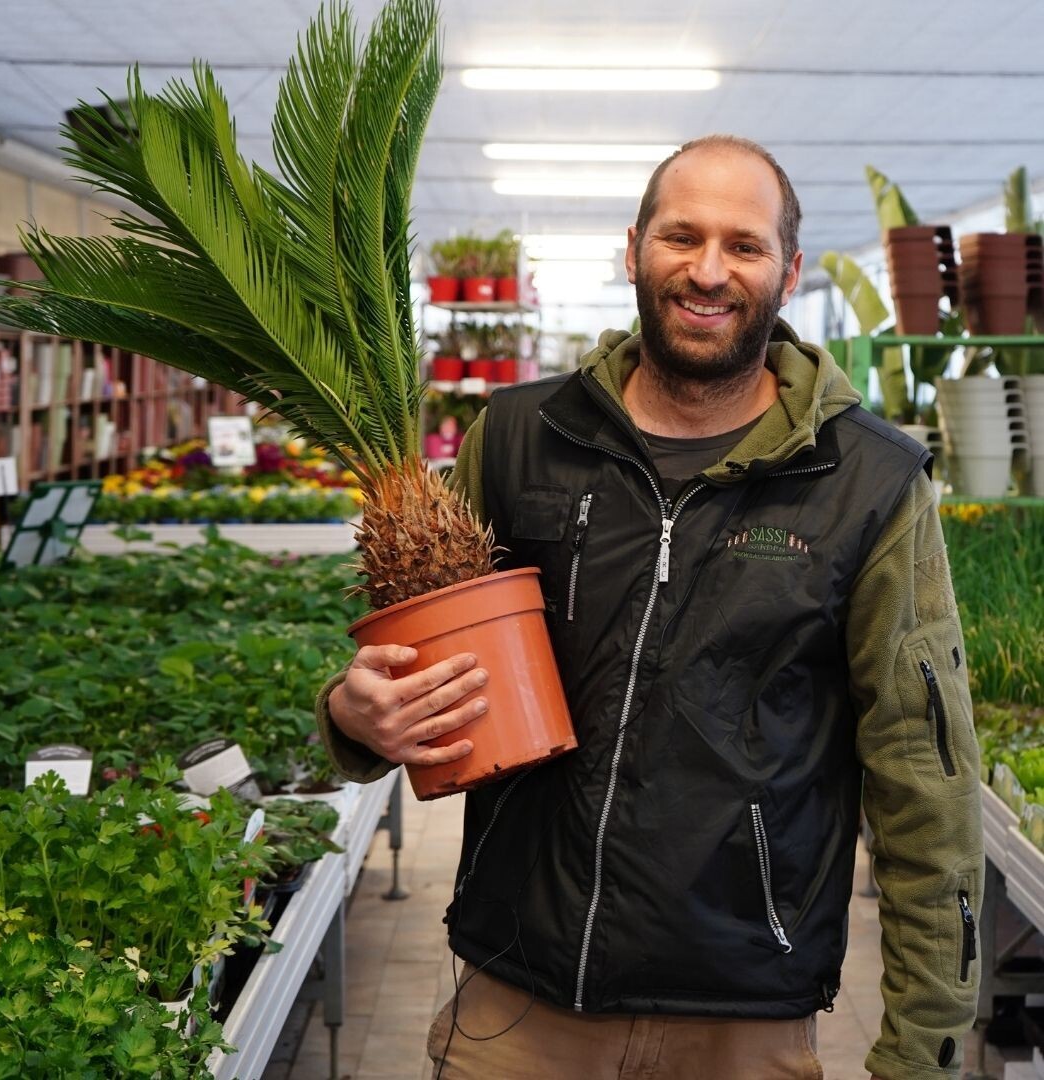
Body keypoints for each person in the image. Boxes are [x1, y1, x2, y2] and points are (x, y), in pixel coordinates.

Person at [318, 134, 983, 1080]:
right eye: (681, 236)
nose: (708, 271)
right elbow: (406, 652)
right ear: (633, 250)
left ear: (787, 272)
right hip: (518, 1005)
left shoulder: (868, 481)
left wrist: (925, 1051)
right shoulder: (518, 438)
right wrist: (353, 717)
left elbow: (924, 773)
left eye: (744, 246)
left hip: (739, 1020)